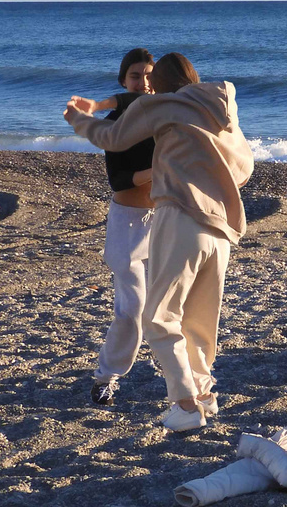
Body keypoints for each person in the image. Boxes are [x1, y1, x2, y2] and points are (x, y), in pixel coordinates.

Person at [63, 53, 254, 430]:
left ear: (160, 84)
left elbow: (109, 137)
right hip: (220, 228)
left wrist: (78, 119)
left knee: (159, 317)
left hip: (180, 219)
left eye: (151, 80)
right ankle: (203, 396)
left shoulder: (162, 106)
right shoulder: (221, 110)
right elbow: (244, 170)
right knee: (199, 319)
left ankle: (184, 405)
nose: (145, 86)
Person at [84, 48, 156, 405]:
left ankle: (186, 382)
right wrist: (158, 171)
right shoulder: (113, 124)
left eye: (149, 74)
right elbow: (119, 180)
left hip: (166, 222)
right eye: (135, 76)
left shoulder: (167, 117)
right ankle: (106, 377)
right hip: (127, 224)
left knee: (176, 305)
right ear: (123, 81)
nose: (143, 82)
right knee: (132, 309)